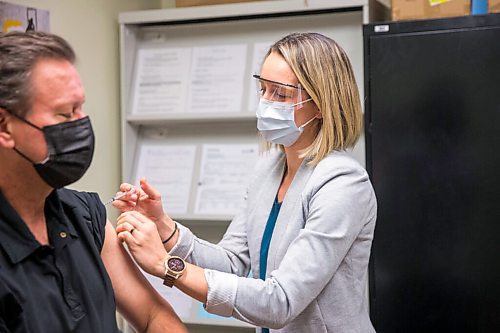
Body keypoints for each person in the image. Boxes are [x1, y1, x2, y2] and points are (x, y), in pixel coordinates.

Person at [114, 32, 377, 332]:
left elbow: (280, 302)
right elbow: (233, 263)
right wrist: (166, 230)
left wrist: (168, 267)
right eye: (263, 89)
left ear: (320, 105)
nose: (265, 103)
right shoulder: (269, 169)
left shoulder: (342, 183)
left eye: (280, 94)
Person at [0, 31, 188, 333]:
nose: (82, 124)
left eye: (80, 108)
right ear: (5, 126)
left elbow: (155, 315)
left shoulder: (83, 216)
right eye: (65, 113)